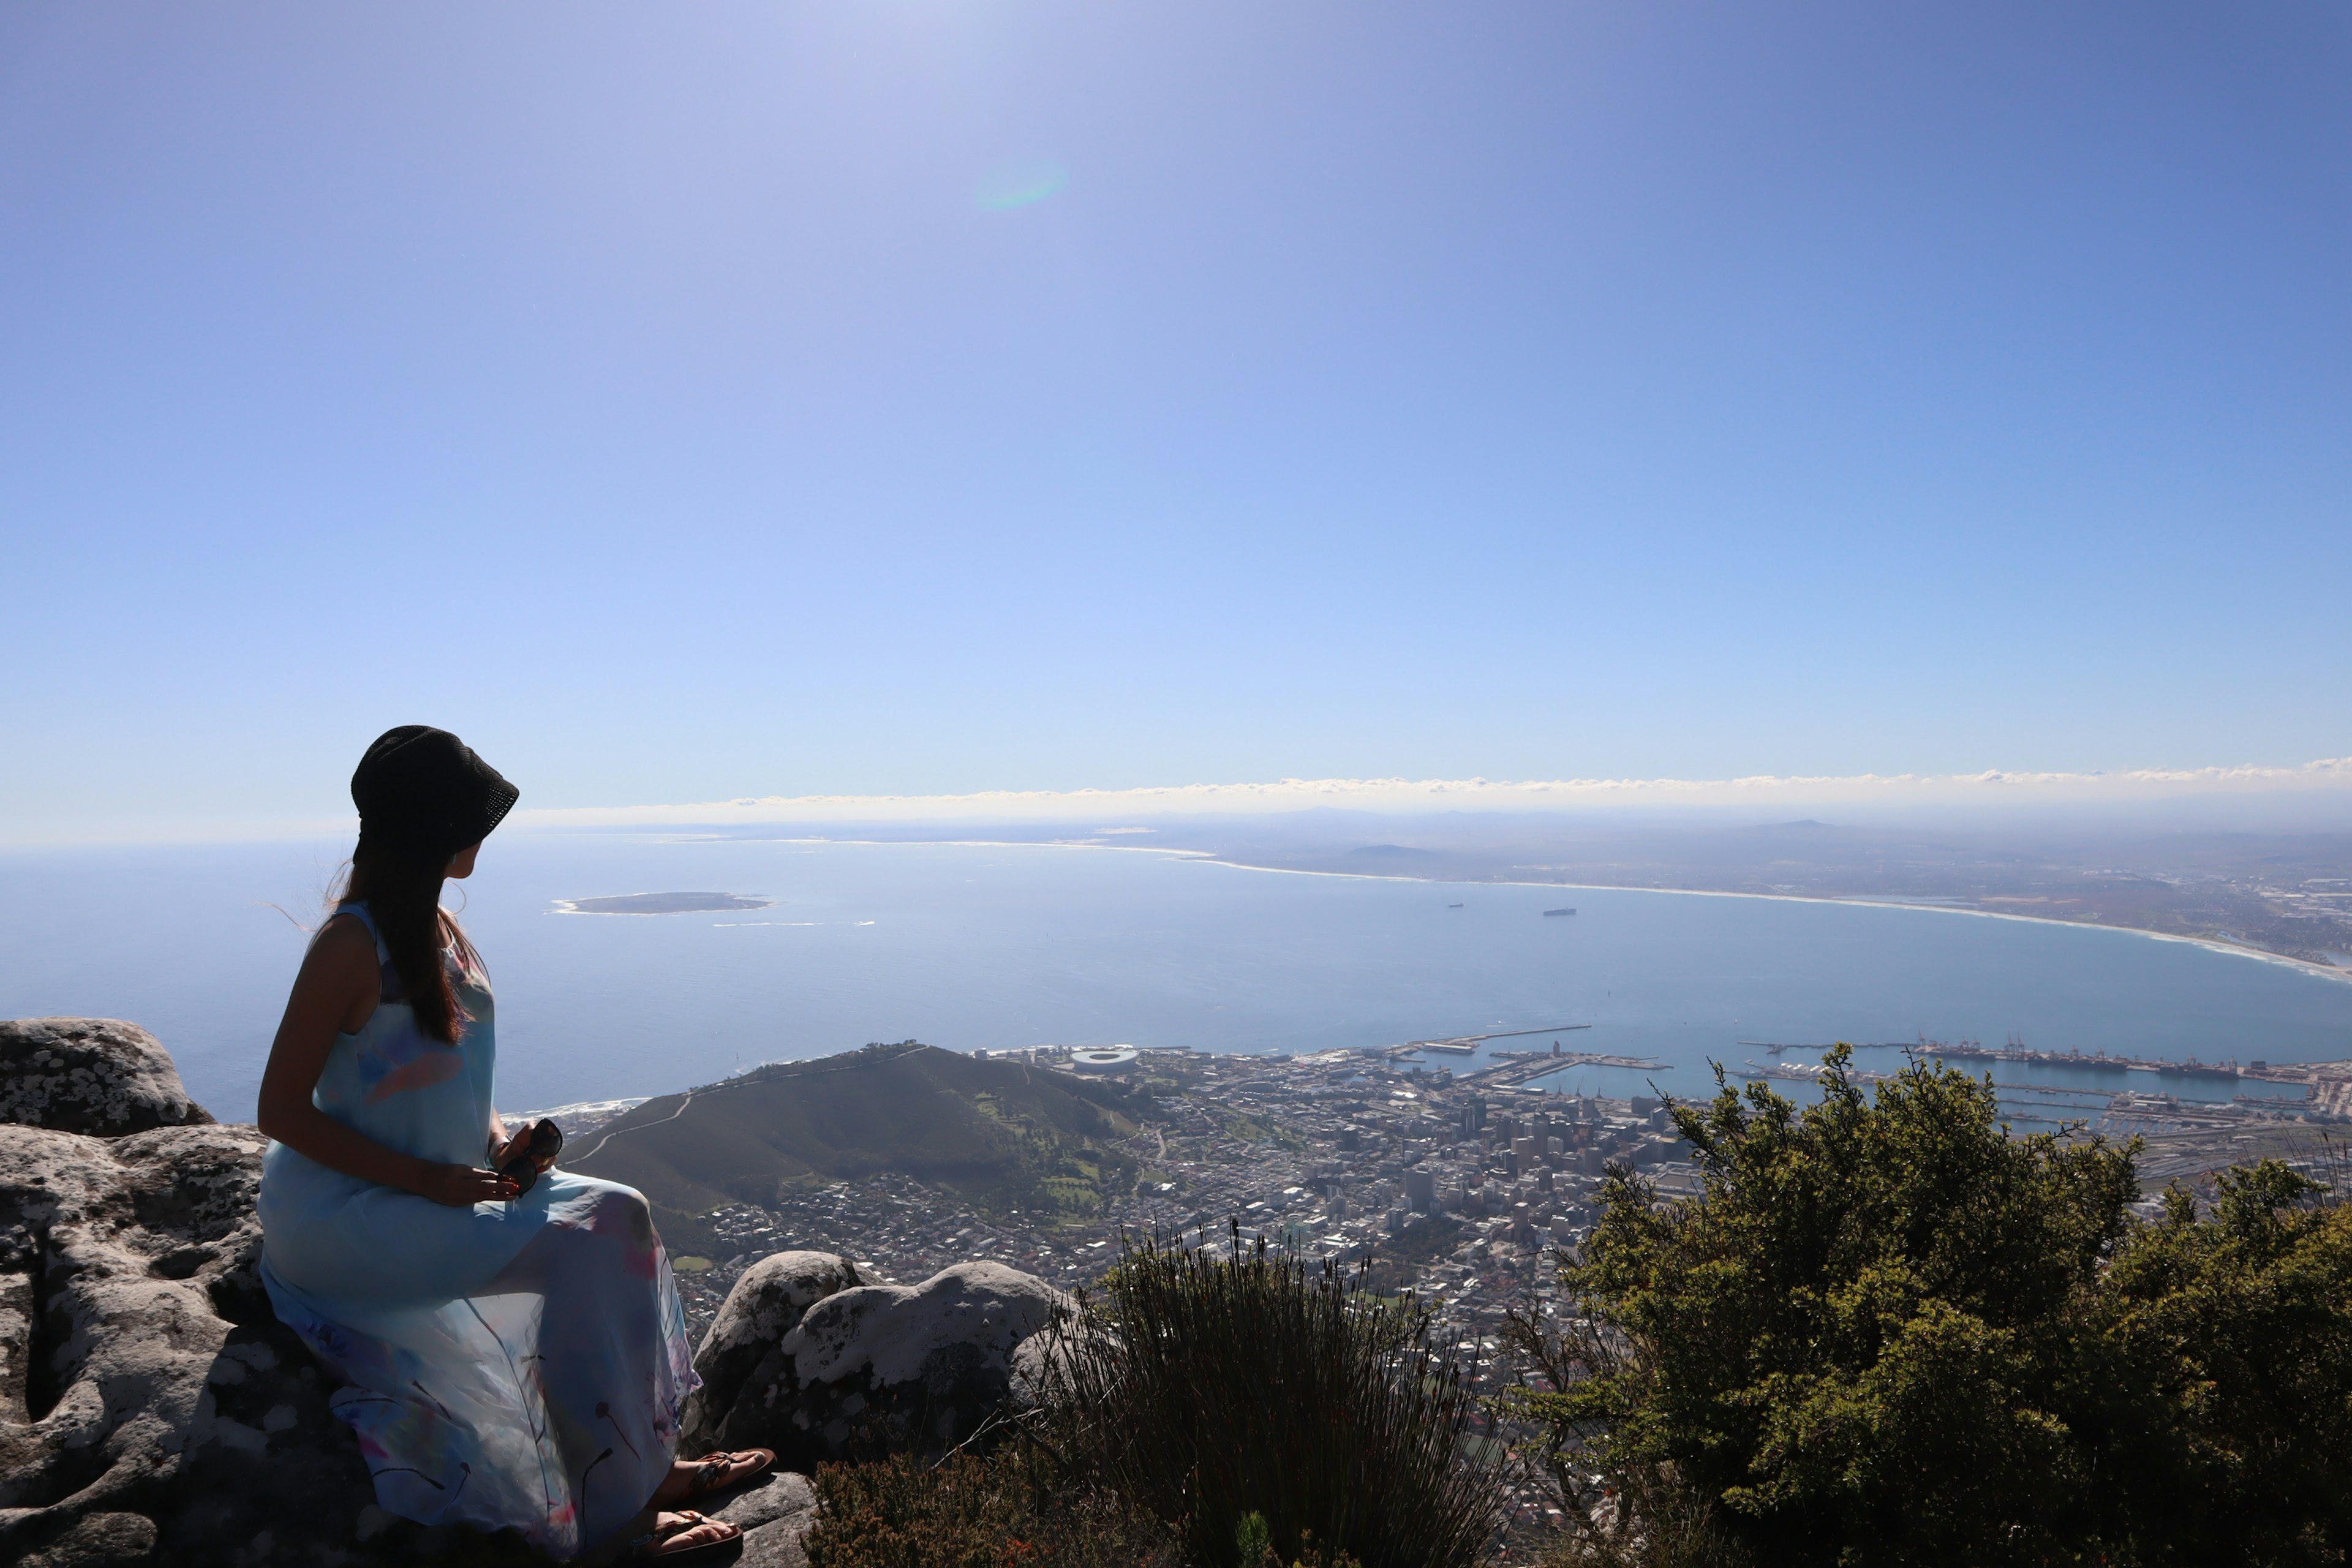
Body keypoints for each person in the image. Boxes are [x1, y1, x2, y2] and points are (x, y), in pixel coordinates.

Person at [257, 726, 769, 1561]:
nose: (482, 836)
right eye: (468, 818)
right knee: (576, 1255)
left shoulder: (442, 932)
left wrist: (501, 1140)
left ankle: (648, 1469)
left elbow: (455, 1087)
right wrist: (426, 1178)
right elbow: (280, 1110)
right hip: (347, 1218)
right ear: (428, 827)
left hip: (442, 1188)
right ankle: (617, 1524)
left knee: (624, 1216)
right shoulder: (349, 947)